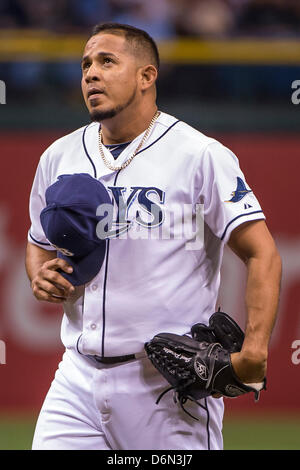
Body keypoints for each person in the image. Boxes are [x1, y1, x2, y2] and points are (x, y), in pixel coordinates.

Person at [25, 22, 282, 450]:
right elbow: (38, 241)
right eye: (86, 63)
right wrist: (38, 274)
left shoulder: (199, 155)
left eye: (107, 61)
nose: (91, 73)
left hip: (165, 384)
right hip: (76, 378)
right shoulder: (59, 155)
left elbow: (262, 254)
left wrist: (255, 348)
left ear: (147, 76)